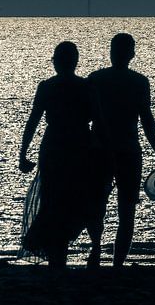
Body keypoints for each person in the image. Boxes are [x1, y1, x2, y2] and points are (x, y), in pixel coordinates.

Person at [88, 33, 155, 267]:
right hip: (128, 150)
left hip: (99, 150)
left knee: (96, 204)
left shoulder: (95, 79)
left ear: (111, 52)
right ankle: (117, 263)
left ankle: (96, 247)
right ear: (132, 54)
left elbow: (85, 117)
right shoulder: (139, 82)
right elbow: (147, 120)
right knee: (127, 210)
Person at [18, 41, 102, 269]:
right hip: (79, 146)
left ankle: (56, 256)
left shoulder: (47, 87)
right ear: (75, 62)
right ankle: (67, 252)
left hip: (55, 146)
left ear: (56, 62)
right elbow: (99, 120)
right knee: (75, 199)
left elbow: (33, 120)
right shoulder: (86, 86)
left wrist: (23, 152)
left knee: (53, 200)